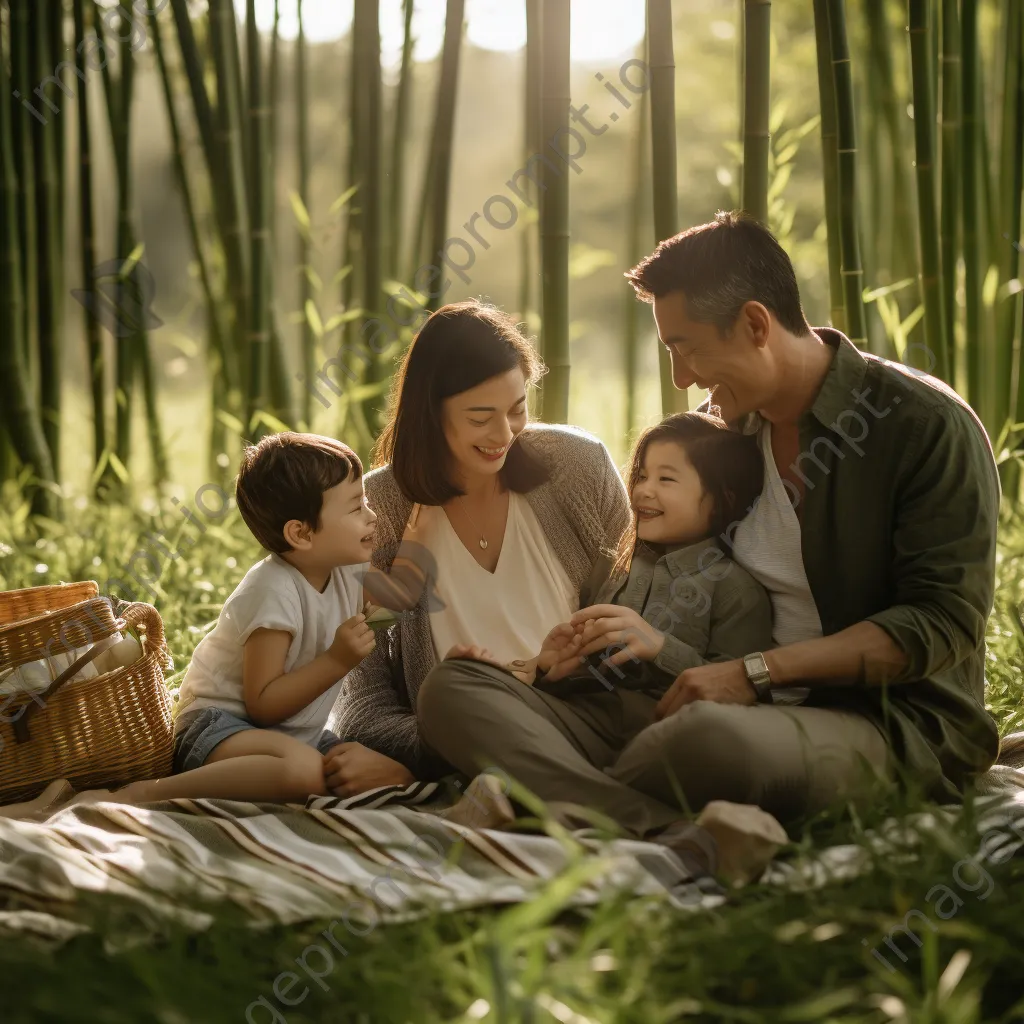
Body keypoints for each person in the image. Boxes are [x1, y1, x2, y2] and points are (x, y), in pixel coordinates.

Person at [608, 210, 1000, 816]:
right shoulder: (729, 436)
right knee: (462, 690)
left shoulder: (923, 426)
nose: (683, 378)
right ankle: (619, 799)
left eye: (686, 348)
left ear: (755, 324)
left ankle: (573, 800)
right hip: (726, 704)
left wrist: (755, 673)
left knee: (703, 740)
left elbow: (941, 623)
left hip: (886, 726)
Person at [112, 432, 380, 803]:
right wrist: (337, 660)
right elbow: (264, 705)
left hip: (295, 733)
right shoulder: (273, 590)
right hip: (219, 727)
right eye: (356, 508)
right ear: (301, 533)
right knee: (304, 773)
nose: (373, 516)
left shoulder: (348, 569)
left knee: (359, 772)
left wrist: (424, 529)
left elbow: (403, 595)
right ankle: (147, 794)